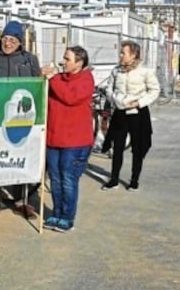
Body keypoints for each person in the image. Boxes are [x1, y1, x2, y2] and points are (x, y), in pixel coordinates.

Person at [0, 20, 42, 219]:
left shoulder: (29, 60)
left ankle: (23, 200)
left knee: (22, 158)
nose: (8, 43)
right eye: (5, 38)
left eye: (12, 39)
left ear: (20, 42)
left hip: (22, 119)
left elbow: (37, 87)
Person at [41, 46, 95, 233]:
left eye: (68, 59)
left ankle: (67, 217)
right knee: (55, 180)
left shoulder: (86, 79)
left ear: (79, 63)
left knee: (68, 180)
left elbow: (70, 97)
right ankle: (56, 213)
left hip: (75, 141)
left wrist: (53, 78)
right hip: (54, 139)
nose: (64, 61)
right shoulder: (60, 79)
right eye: (64, 58)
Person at [101, 40, 160, 191]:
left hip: (138, 114)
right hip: (120, 113)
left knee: (138, 147)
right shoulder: (116, 71)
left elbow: (154, 90)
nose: (120, 55)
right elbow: (109, 89)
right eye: (120, 52)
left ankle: (134, 180)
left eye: (123, 53)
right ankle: (114, 180)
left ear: (133, 55)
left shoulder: (145, 71)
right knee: (117, 146)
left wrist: (139, 103)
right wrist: (116, 99)